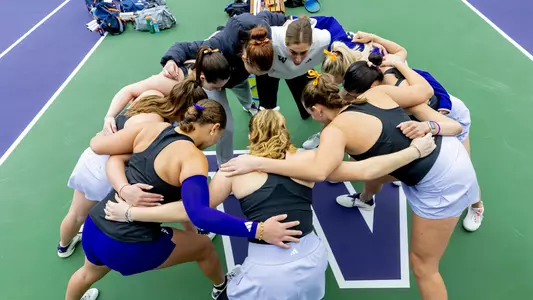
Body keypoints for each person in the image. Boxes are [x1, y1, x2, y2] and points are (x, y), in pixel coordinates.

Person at [102, 109, 437, 299]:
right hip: (311, 257)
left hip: (266, 272)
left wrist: (133, 212)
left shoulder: (233, 171)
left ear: (252, 136)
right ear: (285, 131)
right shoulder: (308, 161)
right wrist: (415, 152)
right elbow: (366, 169)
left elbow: (191, 211)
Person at [220, 62, 479, 299]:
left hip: (439, 180)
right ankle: (367, 199)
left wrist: (257, 162)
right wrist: (401, 63)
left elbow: (325, 172)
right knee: (376, 169)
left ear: (317, 109)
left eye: (311, 113)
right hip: (450, 152)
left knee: (424, 266)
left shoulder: (335, 132)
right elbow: (422, 91)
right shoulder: (375, 94)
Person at [65, 100, 303, 300]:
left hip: (96, 226)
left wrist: (124, 187)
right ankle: (221, 288)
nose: (216, 141)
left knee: (87, 273)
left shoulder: (153, 129)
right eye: (219, 136)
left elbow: (109, 153)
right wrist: (259, 230)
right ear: (214, 128)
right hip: (129, 243)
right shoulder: (192, 159)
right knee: (204, 247)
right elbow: (200, 213)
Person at [321, 31, 484, 231]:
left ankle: (476, 205)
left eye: (355, 96)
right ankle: (366, 199)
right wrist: (377, 40)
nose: (352, 100)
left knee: (466, 173)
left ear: (371, 88)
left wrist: (428, 127)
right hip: (421, 119)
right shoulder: (375, 75)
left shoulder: (406, 95)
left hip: (447, 117)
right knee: (379, 170)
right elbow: (400, 52)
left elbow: (452, 126)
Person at [58, 75, 210, 258]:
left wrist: (107, 120)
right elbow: (134, 154)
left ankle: (64, 246)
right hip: (106, 169)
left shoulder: (151, 96)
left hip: (88, 161)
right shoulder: (155, 126)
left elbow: (128, 91)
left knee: (75, 215)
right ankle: (194, 235)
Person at [161, 12, 287, 166]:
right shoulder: (218, 45)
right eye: (254, 72)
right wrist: (170, 60)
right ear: (245, 59)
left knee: (243, 89)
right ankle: (225, 165)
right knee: (226, 126)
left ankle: (249, 106)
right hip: (215, 81)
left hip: (236, 76)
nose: (255, 74)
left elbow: (272, 15)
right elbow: (183, 47)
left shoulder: (263, 34)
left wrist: (288, 21)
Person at [102, 47, 231, 135]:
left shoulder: (201, 63)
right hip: (140, 122)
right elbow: (128, 90)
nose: (219, 90)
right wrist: (109, 116)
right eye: (215, 87)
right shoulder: (169, 81)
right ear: (202, 77)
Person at [256, 15, 356, 119]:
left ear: (312, 44)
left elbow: (330, 23)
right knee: (266, 110)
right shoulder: (270, 41)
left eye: (304, 52)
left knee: (307, 107)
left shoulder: (323, 40)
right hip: (269, 68)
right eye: (293, 52)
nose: (298, 60)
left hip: (300, 71)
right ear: (285, 43)